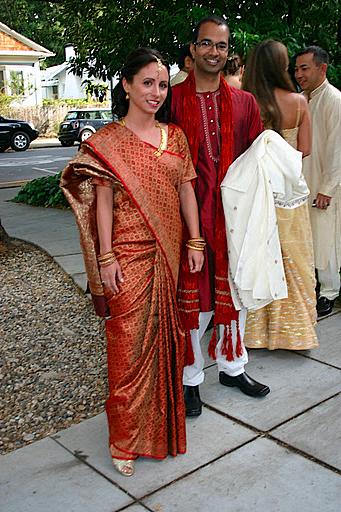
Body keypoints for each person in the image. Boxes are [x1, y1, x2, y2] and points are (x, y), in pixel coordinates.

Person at [60, 48, 204, 477]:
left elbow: (186, 192)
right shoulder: (107, 142)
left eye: (162, 84)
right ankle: (124, 438)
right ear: (126, 86)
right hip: (126, 256)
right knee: (125, 351)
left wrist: (195, 242)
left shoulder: (174, 137)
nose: (156, 92)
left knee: (164, 342)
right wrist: (105, 257)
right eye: (147, 83)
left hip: (169, 253)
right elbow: (102, 203)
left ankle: (159, 429)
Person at [171, 15, 270, 418]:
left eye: (222, 46)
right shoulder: (172, 101)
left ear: (229, 53)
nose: (214, 52)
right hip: (188, 217)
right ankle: (191, 378)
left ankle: (232, 367)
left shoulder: (245, 103)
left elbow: (255, 164)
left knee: (237, 292)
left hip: (233, 218)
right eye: (206, 44)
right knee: (194, 300)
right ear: (193, 49)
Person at [241, 39, 318, 351]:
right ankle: (294, 332)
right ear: (281, 65)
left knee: (258, 258)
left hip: (255, 193)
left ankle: (256, 332)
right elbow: (307, 149)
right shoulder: (299, 102)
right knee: (292, 259)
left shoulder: (245, 102)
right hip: (289, 194)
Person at [295, 46, 341, 317]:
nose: (299, 73)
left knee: (326, 237)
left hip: (326, 182)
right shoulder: (301, 99)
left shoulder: (334, 100)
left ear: (321, 68)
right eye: (297, 68)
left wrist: (327, 188)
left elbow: (338, 148)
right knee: (308, 237)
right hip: (303, 180)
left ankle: (329, 291)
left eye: (305, 68)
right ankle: (313, 286)